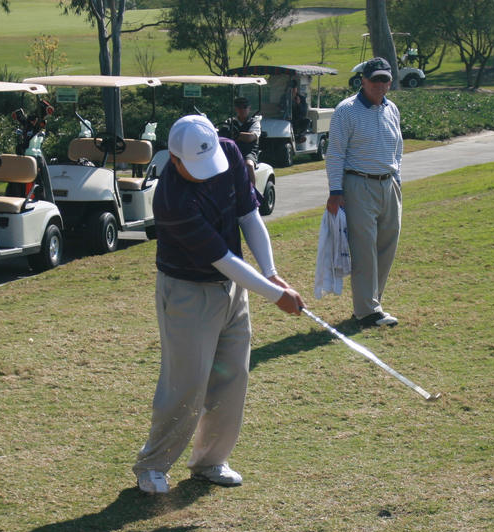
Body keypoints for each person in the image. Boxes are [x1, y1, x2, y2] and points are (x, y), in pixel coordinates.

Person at [133, 115, 304, 494]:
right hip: (188, 292)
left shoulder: (227, 154)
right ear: (174, 160)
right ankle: (152, 465)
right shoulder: (172, 199)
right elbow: (223, 257)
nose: (206, 174)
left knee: (232, 378)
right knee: (187, 383)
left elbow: (248, 215)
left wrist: (272, 272)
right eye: (195, 167)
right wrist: (277, 296)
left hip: (232, 288)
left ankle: (210, 461)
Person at [325, 57, 403, 328]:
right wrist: (336, 191)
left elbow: (398, 149)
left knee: (386, 246)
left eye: (385, 80)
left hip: (388, 184)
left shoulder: (391, 108)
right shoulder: (346, 111)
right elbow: (335, 153)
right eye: (375, 80)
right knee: (364, 249)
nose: (380, 85)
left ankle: (373, 303)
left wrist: (397, 180)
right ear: (363, 80)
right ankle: (367, 310)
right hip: (358, 184)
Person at [222, 97, 261, 188]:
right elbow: (222, 134)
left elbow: (250, 137)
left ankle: (252, 194)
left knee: (248, 165)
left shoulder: (254, 122)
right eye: (239, 107)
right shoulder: (229, 121)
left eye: (244, 107)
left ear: (249, 108)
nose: (242, 110)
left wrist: (235, 134)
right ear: (236, 109)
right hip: (230, 151)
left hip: (248, 152)